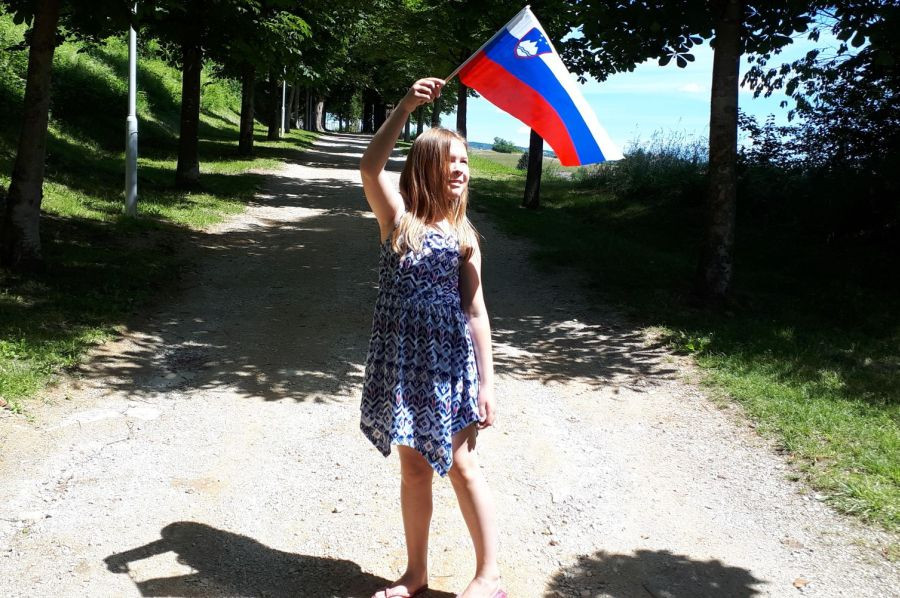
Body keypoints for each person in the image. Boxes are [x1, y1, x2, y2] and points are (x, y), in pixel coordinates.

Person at [359, 77, 506, 598]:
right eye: (453, 160)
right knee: (414, 468)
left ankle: (489, 577)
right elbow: (370, 167)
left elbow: (476, 312)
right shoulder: (397, 221)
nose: (462, 169)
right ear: (425, 166)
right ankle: (415, 575)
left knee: (462, 466)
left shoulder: (465, 238)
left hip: (448, 367)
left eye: (466, 161)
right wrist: (404, 106)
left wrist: (488, 384)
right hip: (402, 364)